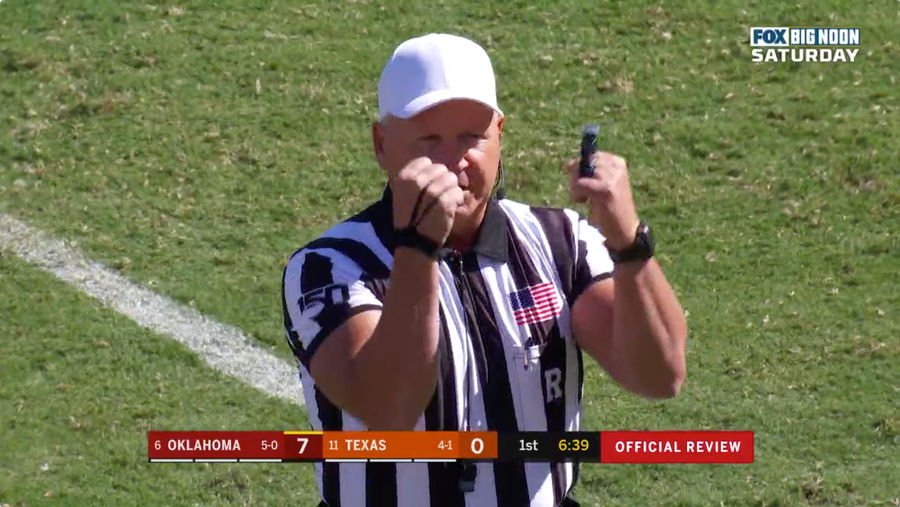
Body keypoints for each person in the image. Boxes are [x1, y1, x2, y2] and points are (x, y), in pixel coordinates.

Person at [282, 33, 687, 507]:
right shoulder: (329, 267)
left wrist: (629, 245)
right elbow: (390, 407)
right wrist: (417, 246)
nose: (455, 161)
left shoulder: (559, 241)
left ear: (500, 134)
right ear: (382, 144)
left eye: (473, 136)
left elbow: (660, 376)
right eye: (429, 138)